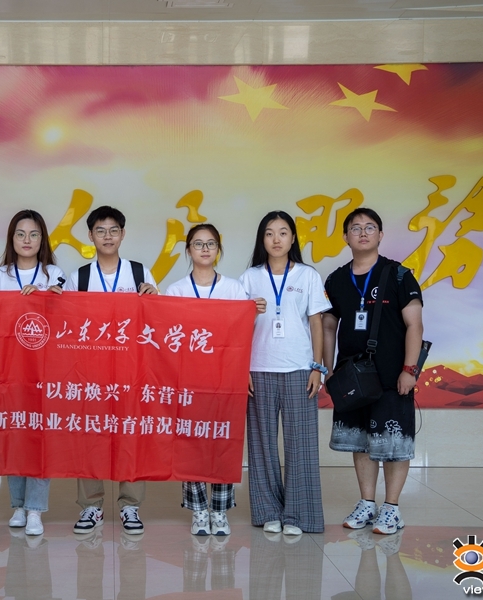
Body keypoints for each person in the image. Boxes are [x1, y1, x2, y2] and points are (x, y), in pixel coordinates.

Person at [322, 207, 423, 535]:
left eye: (369, 227)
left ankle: (392, 508)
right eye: (355, 228)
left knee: (393, 442)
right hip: (352, 378)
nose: (362, 232)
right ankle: (367, 503)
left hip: (392, 377)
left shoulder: (399, 275)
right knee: (361, 443)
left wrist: (410, 370)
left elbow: (415, 325)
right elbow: (328, 326)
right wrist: (327, 369)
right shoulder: (336, 280)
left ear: (380, 235)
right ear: (345, 237)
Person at [63, 205, 159, 536]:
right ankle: (91, 505)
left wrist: (154, 298)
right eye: (100, 230)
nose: (107, 236)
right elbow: (67, 325)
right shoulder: (79, 277)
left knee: (131, 436)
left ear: (123, 234)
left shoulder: (139, 272)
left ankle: (130, 505)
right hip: (92, 374)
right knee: (90, 436)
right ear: (90, 235)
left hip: (131, 372)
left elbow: (157, 322)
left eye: (113, 230)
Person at [165, 223, 266, 537]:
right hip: (188, 380)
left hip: (226, 379)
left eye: (210, 243)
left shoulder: (234, 289)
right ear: (188, 250)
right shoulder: (175, 291)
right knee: (191, 443)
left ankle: (220, 511)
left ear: (218, 249)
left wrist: (253, 311)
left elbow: (243, 334)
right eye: (198, 243)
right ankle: (198, 510)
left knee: (223, 440)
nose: (205, 249)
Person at [239, 211, 331, 536]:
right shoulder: (249, 278)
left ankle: (299, 515)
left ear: (293, 238)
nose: (276, 239)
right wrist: (241, 368)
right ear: (262, 240)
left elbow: (317, 323)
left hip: (299, 369)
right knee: (261, 444)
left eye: (282, 232)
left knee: (301, 445)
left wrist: (317, 367)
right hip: (258, 368)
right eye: (269, 233)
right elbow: (236, 326)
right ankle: (268, 512)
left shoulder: (307, 275)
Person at [0, 209, 64, 537]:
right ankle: (17, 505)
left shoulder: (54, 274)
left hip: (45, 370)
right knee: (14, 434)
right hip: (11, 369)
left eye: (34, 234)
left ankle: (35, 509)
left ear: (42, 239)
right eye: (21, 234)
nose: (27, 240)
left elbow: (68, 319)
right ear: (12, 239)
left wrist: (51, 298)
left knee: (40, 439)